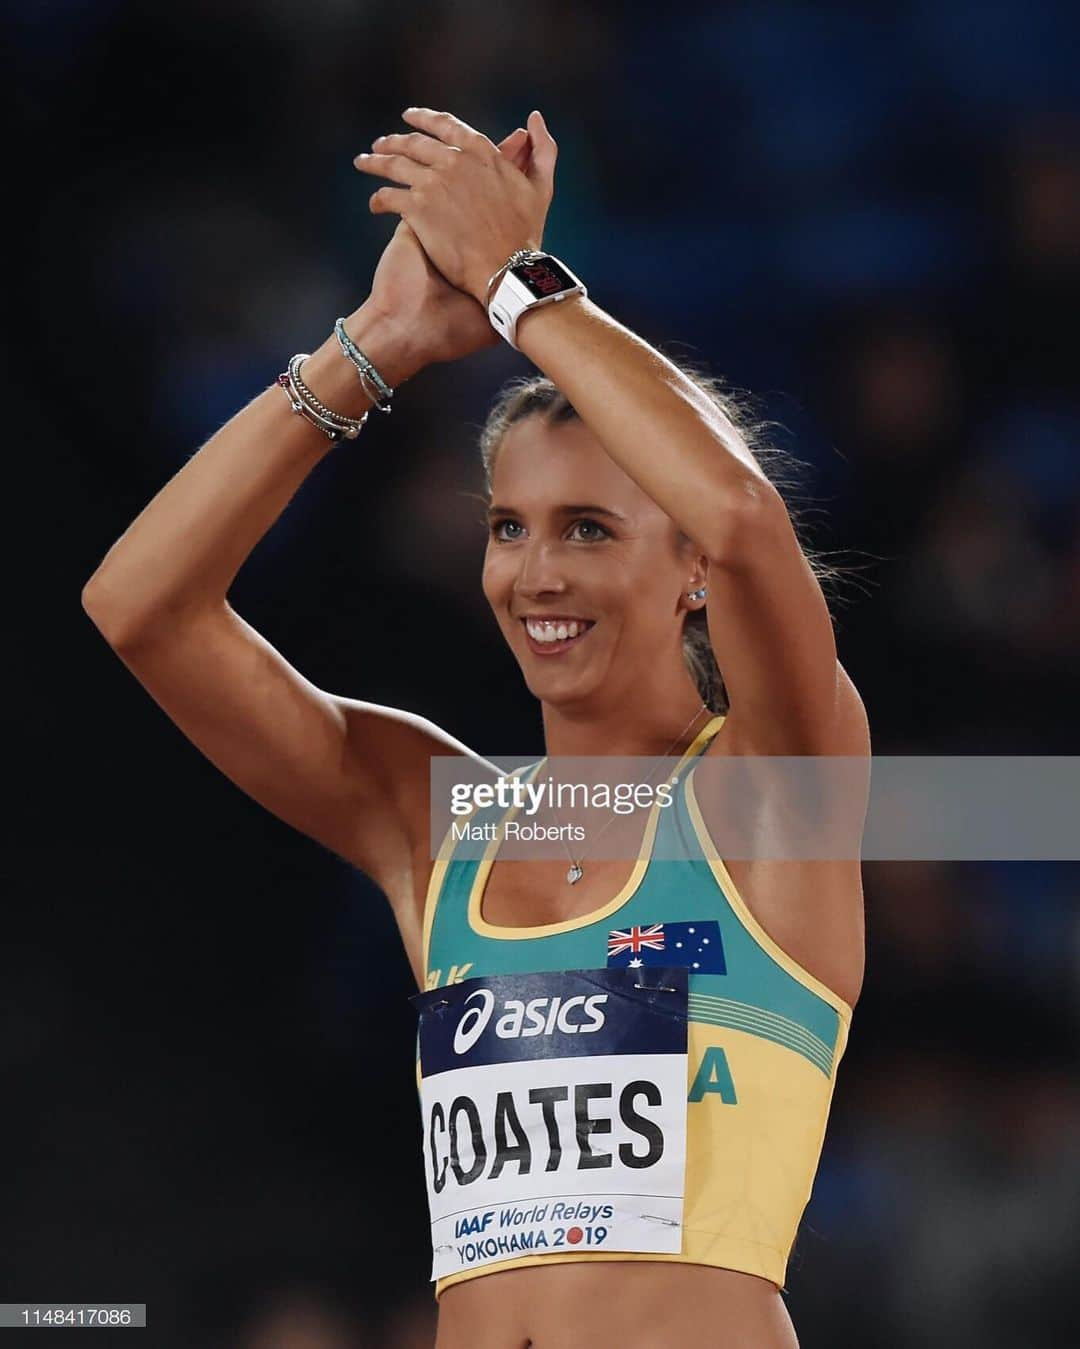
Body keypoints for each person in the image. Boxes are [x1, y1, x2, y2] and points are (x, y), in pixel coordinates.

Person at [83, 107, 868, 1349]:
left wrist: (521, 284)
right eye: (513, 527)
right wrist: (376, 345)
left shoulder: (776, 790)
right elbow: (139, 606)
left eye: (590, 529)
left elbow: (738, 511)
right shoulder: (441, 820)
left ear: (693, 576)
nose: (536, 573)